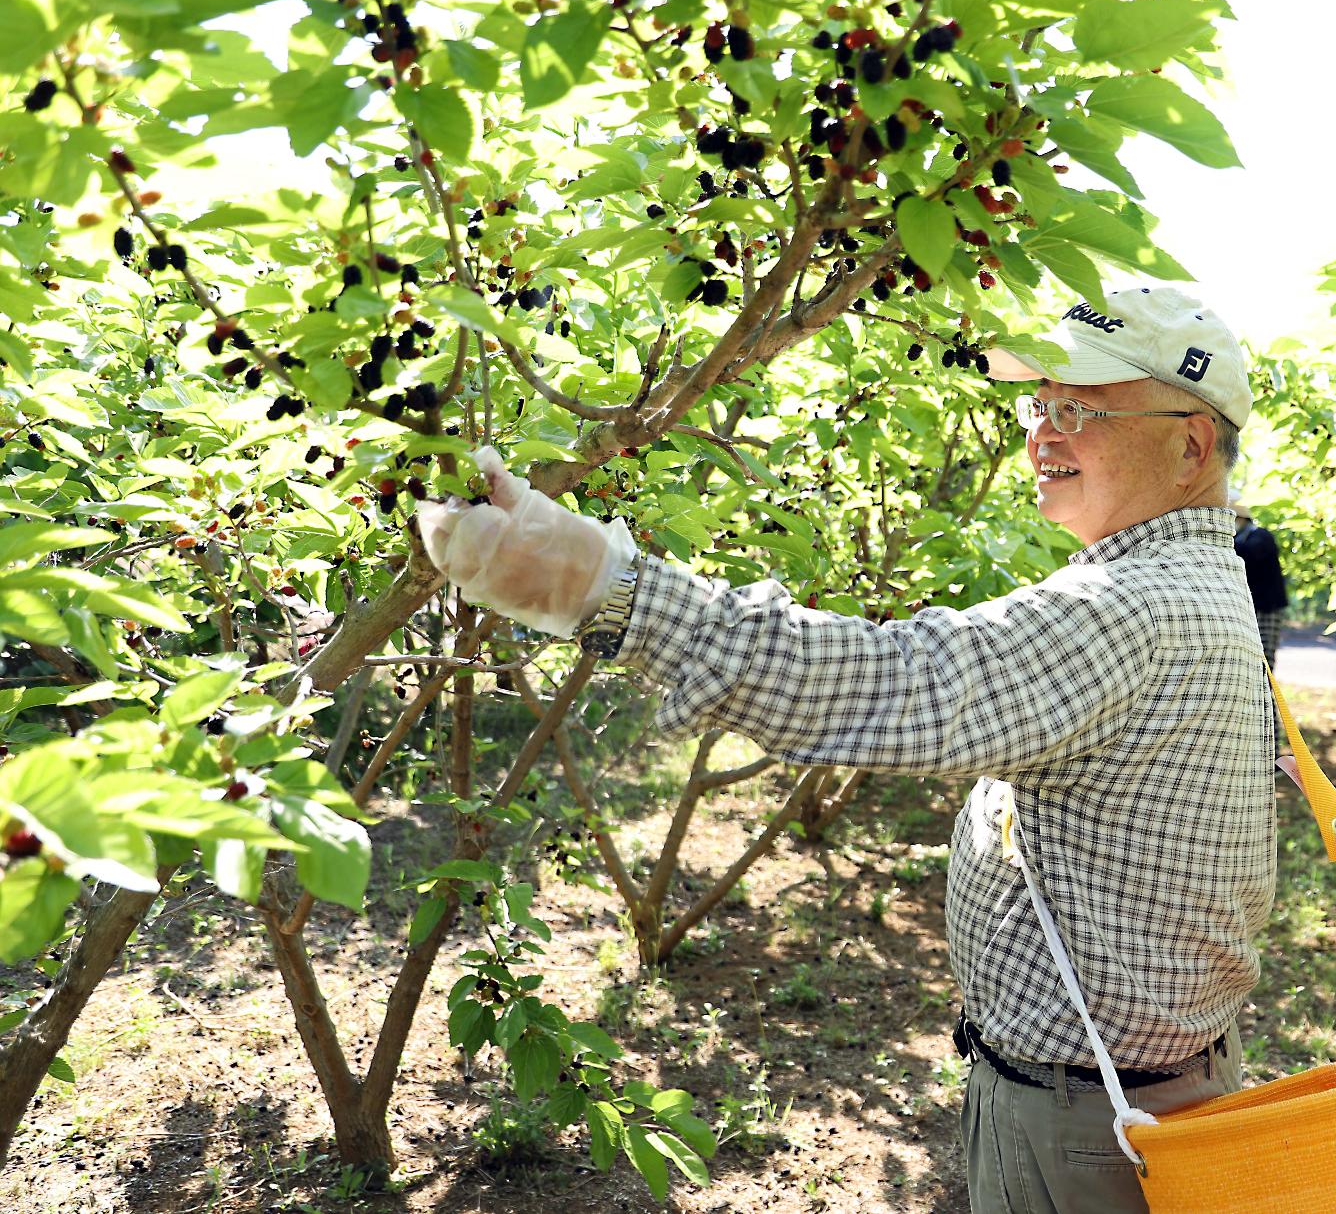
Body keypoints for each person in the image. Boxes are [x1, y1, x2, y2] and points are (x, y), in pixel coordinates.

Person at [418, 284, 1275, 1214]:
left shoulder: (1128, 610)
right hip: (1134, 1094)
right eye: (1040, 407)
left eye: (1080, 409)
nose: (1042, 436)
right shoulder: (1200, 581)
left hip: (1090, 1126)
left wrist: (597, 584)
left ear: (1191, 443)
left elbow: (894, 680)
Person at [1232, 505, 1288, 668]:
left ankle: (1268, 693)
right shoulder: (1241, 539)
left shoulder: (1260, 536)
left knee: (1264, 656)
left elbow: (1250, 554)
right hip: (1247, 607)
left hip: (1267, 607)